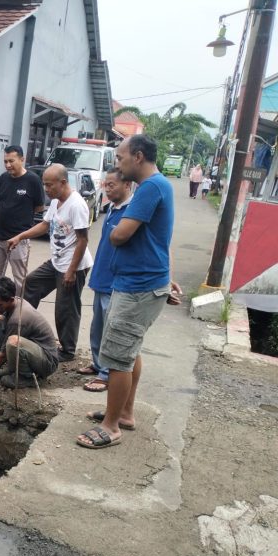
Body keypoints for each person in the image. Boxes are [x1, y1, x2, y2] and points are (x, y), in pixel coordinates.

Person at [76, 134, 182, 450]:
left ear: (137, 156)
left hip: (138, 286)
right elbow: (159, 238)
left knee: (118, 356)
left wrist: (117, 235)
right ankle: (123, 412)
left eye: (120, 158)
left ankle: (111, 426)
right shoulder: (156, 186)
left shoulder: (150, 188)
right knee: (130, 350)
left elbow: (120, 235)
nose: (117, 164)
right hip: (142, 281)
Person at [8, 163, 93, 362]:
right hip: (56, 261)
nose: (46, 189)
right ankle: (25, 327)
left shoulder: (77, 205)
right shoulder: (56, 201)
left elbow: (83, 240)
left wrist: (71, 272)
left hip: (74, 265)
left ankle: (67, 350)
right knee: (30, 284)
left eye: (49, 185)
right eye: (44, 185)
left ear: (63, 183)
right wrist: (20, 236)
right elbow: (45, 225)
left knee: (65, 308)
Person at [78, 168, 133, 392]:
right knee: (97, 327)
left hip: (115, 282)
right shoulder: (110, 209)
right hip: (102, 277)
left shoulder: (131, 213)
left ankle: (106, 374)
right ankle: (98, 363)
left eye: (112, 185)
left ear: (127, 184)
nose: (107, 189)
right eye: (106, 185)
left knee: (111, 331)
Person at [0, 276, 58, 389]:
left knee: (13, 342)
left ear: (11, 299)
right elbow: (7, 334)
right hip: (32, 349)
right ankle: (14, 367)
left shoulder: (18, 319)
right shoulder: (15, 301)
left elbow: (3, 354)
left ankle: (27, 377)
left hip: (47, 362)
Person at [0, 145, 45, 295]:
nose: (8, 165)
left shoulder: (33, 180)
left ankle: (19, 309)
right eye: (5, 161)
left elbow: (39, 207)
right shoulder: (3, 178)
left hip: (19, 239)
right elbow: (2, 201)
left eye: (11, 161)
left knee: (20, 278)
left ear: (22, 159)